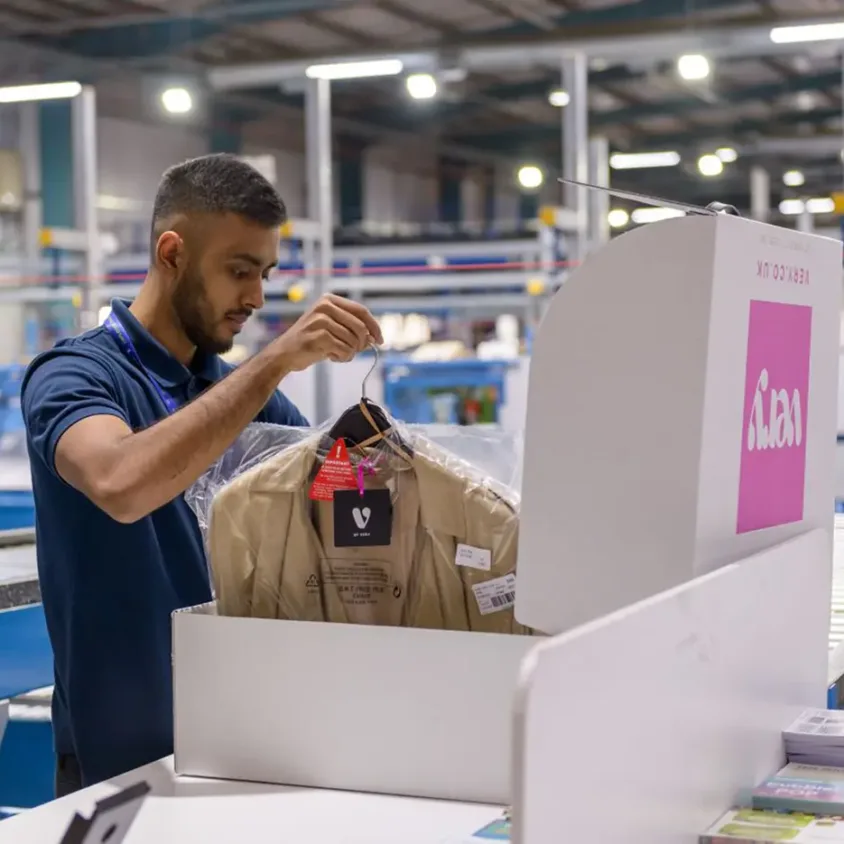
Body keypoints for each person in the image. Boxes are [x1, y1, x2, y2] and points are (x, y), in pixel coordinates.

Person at [21, 153, 383, 797]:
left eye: (266, 274)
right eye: (239, 271)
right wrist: (273, 362)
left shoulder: (243, 395)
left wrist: (387, 459)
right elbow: (120, 483)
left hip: (243, 747)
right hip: (118, 768)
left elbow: (336, 501)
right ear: (172, 253)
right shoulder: (75, 374)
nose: (256, 297)